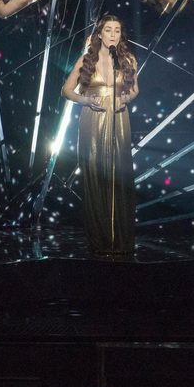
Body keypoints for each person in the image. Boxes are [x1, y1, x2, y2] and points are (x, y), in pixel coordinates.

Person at [61, 15, 139, 255]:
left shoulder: (127, 59)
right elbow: (66, 90)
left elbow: (135, 89)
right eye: (108, 30)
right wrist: (84, 99)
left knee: (120, 176)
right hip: (92, 120)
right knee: (96, 176)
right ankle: (100, 239)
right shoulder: (86, 60)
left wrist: (124, 99)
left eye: (117, 30)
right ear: (100, 33)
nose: (113, 34)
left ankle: (121, 240)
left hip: (119, 119)